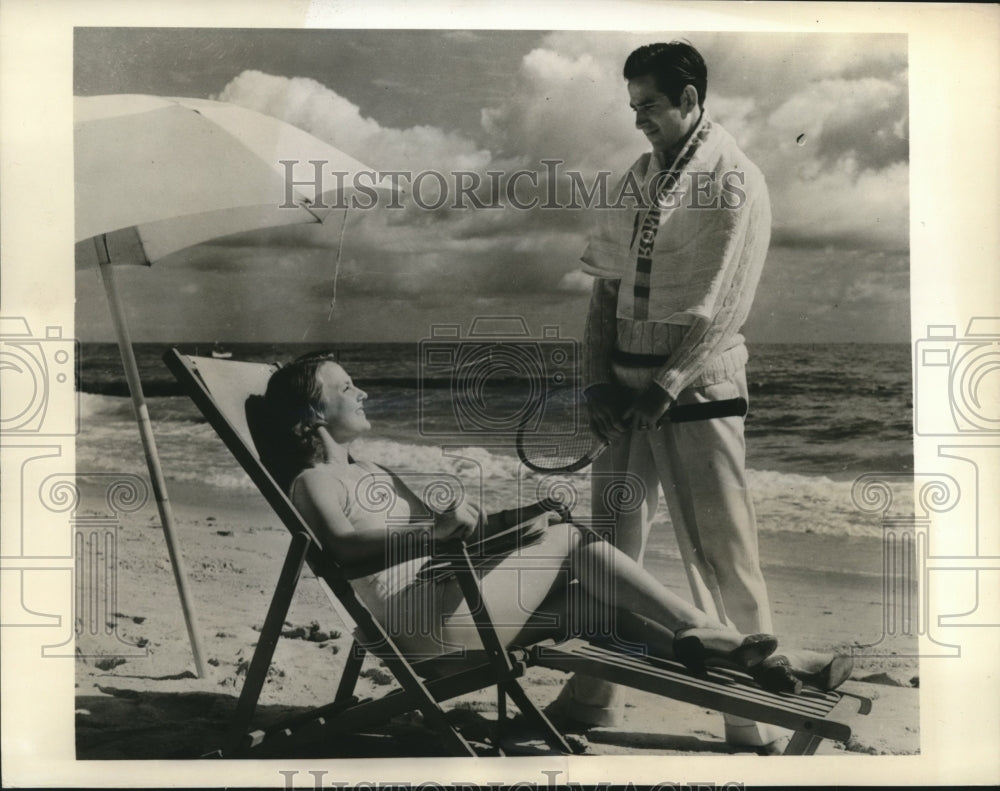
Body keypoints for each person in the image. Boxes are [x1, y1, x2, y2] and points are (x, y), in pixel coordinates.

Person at [255, 353, 850, 746]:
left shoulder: (374, 469)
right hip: (418, 623)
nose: (360, 390)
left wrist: (522, 515)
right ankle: (702, 627)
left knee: (602, 611)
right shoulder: (314, 481)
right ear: (313, 410)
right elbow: (343, 551)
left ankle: (769, 664)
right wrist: (434, 533)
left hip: (448, 596)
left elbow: (465, 529)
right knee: (573, 542)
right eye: (344, 386)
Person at [561, 40, 785, 750]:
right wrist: (598, 378)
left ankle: (752, 718)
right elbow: (604, 291)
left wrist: (666, 384)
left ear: (690, 100)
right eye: (633, 107)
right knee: (611, 549)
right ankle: (598, 692)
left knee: (722, 552)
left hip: (699, 386)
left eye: (650, 105)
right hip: (626, 390)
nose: (640, 121)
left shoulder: (737, 179)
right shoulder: (635, 176)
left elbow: (725, 306)